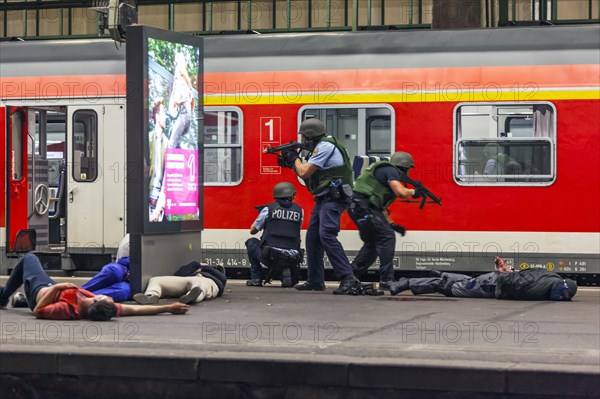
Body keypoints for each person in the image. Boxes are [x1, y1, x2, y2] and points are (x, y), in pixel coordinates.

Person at [279, 118, 359, 294]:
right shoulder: (320, 147)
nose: (303, 140)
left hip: (334, 198)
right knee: (313, 238)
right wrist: (290, 162)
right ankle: (315, 281)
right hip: (324, 198)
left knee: (327, 235)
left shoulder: (325, 147)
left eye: (304, 137)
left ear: (309, 136)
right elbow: (304, 174)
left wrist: (294, 159)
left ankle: (348, 278)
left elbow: (304, 171)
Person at [0, 254, 190, 320]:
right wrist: (167, 308)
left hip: (38, 291)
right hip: (50, 287)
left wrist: (58, 288)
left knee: (29, 258)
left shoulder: (66, 310)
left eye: (107, 298)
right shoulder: (96, 306)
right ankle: (13, 298)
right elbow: (135, 309)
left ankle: (5, 296)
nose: (109, 298)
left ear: (97, 299)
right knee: (122, 287)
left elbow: (39, 310)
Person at [348, 151, 423, 293]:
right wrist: (414, 192)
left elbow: (380, 208)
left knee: (374, 242)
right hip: (362, 206)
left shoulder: (384, 172)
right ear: (403, 167)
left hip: (360, 207)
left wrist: (392, 224)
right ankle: (386, 280)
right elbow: (400, 191)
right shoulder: (390, 170)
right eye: (408, 169)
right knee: (386, 237)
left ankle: (351, 275)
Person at [390, 257, 577, 301]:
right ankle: (407, 282)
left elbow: (525, 272)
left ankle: (443, 274)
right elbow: (515, 285)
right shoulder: (541, 289)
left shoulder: (552, 275)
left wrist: (508, 270)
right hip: (493, 286)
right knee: (449, 288)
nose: (562, 298)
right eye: (564, 295)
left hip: (491, 279)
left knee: (469, 282)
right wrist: (506, 274)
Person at [245, 182, 304, 288]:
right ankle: (287, 273)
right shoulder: (300, 211)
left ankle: (256, 278)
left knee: (251, 242)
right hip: (293, 257)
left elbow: (253, 231)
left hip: (272, 255)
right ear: (291, 196)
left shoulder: (268, 209)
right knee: (284, 258)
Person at [133, 261, 227, 305]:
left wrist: (205, 267)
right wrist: (196, 264)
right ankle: (150, 296)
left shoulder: (216, 278)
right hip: (188, 279)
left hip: (207, 281)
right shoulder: (194, 270)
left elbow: (223, 279)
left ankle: (192, 297)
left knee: (200, 286)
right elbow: (179, 274)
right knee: (156, 280)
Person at [167, 52, 194, 149]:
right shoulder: (186, 87)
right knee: (175, 137)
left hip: (183, 110)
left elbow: (186, 78)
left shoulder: (179, 68)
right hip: (186, 111)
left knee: (172, 141)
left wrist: (176, 101)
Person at [148, 99, 169, 221]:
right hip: (147, 201)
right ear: (157, 116)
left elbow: (167, 178)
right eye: (163, 113)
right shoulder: (148, 139)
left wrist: (159, 208)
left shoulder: (167, 143)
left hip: (159, 204)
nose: (166, 117)